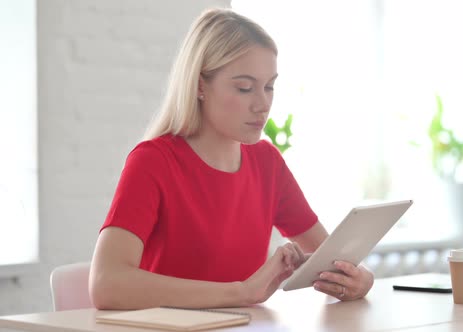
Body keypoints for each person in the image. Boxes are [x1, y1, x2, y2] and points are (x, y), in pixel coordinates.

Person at [89, 7, 374, 310]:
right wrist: (242, 292)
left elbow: (332, 256)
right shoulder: (153, 162)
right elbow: (107, 284)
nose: (262, 104)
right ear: (200, 86)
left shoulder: (267, 163)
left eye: (269, 87)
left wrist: (360, 279)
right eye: (244, 88)